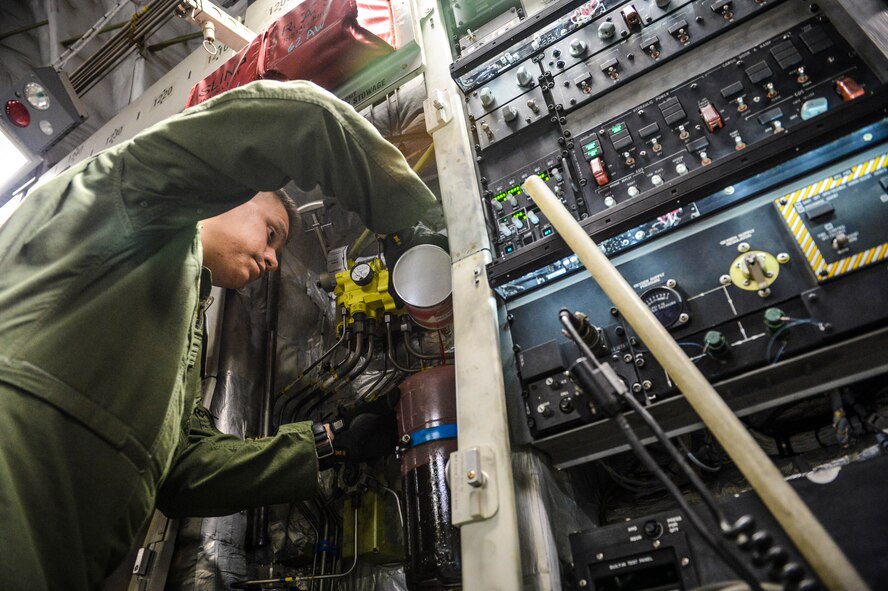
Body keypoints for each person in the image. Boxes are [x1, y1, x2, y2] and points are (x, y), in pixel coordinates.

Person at [0, 79, 438, 590]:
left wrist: (331, 442)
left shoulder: (178, 324)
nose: (273, 261)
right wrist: (408, 226)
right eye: (270, 233)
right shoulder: (127, 199)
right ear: (229, 193)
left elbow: (183, 472)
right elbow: (300, 115)